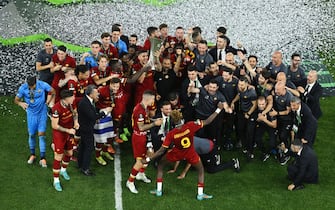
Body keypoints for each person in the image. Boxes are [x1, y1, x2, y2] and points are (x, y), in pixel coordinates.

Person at [143, 102, 225, 200]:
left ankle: (159, 191)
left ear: (172, 121)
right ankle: (200, 194)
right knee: (201, 170)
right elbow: (207, 121)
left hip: (176, 154)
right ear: (181, 118)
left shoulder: (171, 134)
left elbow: (161, 151)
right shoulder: (190, 125)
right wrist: (218, 109)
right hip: (190, 153)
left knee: (160, 166)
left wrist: (148, 159)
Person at [126, 90, 163, 194]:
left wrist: (152, 120)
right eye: (153, 99)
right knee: (139, 161)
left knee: (149, 155)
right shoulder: (140, 111)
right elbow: (141, 127)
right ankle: (130, 181)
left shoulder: (143, 107)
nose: (153, 101)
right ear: (149, 99)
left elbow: (145, 120)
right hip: (139, 138)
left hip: (145, 136)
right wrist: (155, 123)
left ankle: (140, 174)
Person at [15, 76, 55, 167]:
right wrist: (21, 103)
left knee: (41, 134)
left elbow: (53, 91)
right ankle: (32, 155)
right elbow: (16, 100)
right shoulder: (23, 88)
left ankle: (43, 158)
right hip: (31, 114)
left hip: (42, 112)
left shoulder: (42, 85)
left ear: (36, 83)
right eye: (30, 86)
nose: (31, 88)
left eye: (33, 86)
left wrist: (49, 101)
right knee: (32, 134)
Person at [77, 85, 112, 176]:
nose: (98, 94)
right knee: (89, 148)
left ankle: (80, 164)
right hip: (86, 129)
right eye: (96, 93)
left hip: (85, 128)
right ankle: (85, 168)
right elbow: (93, 117)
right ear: (91, 94)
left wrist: (100, 110)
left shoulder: (88, 101)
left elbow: (92, 112)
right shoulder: (85, 103)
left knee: (83, 146)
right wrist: (105, 112)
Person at [51, 89, 79, 191]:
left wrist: (76, 122)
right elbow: (54, 125)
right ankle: (56, 180)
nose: (74, 98)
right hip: (60, 134)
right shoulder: (56, 109)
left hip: (70, 131)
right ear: (66, 99)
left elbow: (75, 113)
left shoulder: (71, 104)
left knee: (69, 153)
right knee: (58, 157)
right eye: (72, 97)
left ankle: (63, 170)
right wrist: (68, 130)